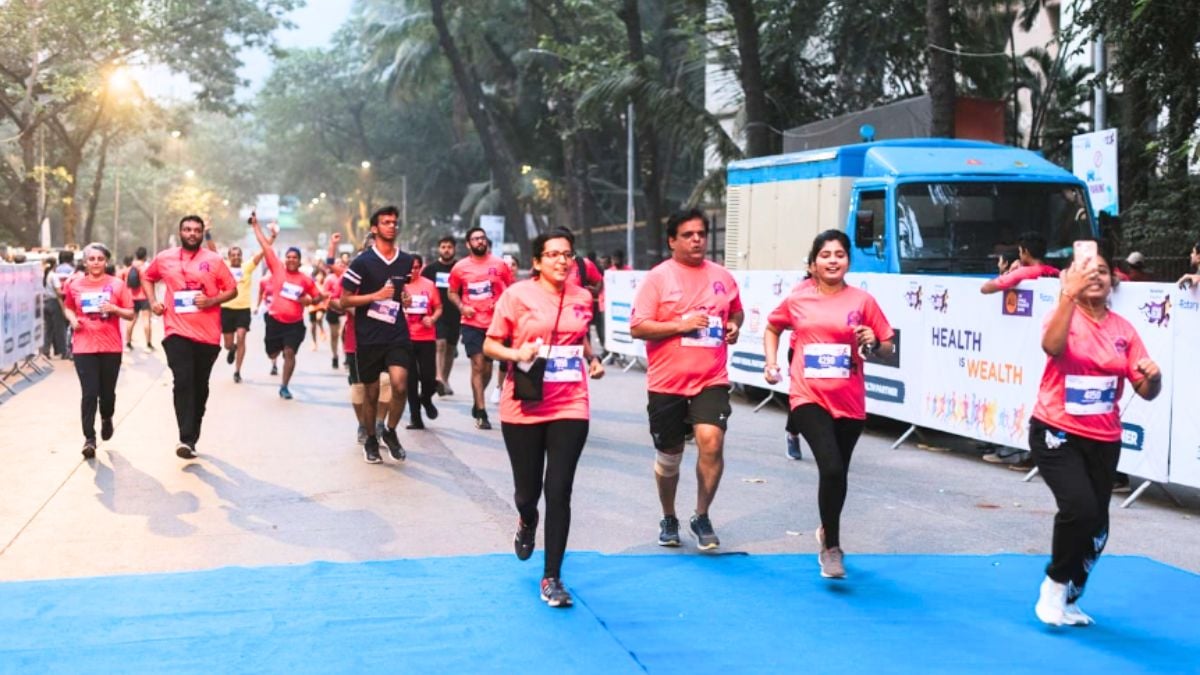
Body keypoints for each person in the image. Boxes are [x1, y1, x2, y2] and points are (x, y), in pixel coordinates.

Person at [1028, 238, 1161, 626]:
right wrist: (1068, 296)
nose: (1096, 277)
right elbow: (1051, 346)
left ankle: (1070, 597)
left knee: (1097, 526)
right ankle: (1053, 584)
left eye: (1102, 271)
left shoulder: (1124, 329)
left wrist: (1154, 377)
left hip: (1104, 438)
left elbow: (1146, 390)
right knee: (1079, 508)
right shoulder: (1062, 315)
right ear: (1071, 278)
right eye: (1087, 271)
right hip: (1056, 430)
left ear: (1113, 280)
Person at [483, 228, 605, 608]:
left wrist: (591, 358)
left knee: (559, 489)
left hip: (571, 403)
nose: (561, 260)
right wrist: (516, 355)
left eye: (567, 254)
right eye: (552, 254)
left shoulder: (583, 296)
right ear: (536, 262)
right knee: (528, 493)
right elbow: (490, 343)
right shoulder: (516, 296)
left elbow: (579, 335)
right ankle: (526, 519)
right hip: (524, 404)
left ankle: (552, 576)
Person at [763, 231, 895, 579]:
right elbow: (772, 327)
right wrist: (771, 362)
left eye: (839, 254)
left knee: (838, 474)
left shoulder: (862, 301)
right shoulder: (798, 299)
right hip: (808, 396)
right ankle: (832, 547)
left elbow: (887, 347)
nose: (832, 260)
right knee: (831, 467)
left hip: (849, 401)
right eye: (825, 254)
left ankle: (826, 529)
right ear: (814, 262)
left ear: (848, 261)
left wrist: (874, 342)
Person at [629, 208, 744, 551]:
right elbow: (638, 326)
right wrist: (681, 325)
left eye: (701, 234)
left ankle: (702, 514)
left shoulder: (722, 275)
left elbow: (735, 308)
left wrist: (735, 325)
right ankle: (669, 516)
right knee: (670, 455)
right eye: (688, 235)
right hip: (667, 383)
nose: (696, 240)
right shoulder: (658, 278)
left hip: (712, 377)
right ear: (672, 241)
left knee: (712, 441)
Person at [141, 215, 237, 459]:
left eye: (196, 230)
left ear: (202, 233)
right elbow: (147, 276)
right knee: (182, 381)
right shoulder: (165, 258)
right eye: (187, 229)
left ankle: (193, 435)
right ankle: (185, 438)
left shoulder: (213, 260)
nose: (192, 233)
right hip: (176, 330)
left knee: (199, 386)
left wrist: (212, 300)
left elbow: (232, 289)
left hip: (207, 335)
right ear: (180, 232)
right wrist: (153, 302)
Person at [340, 206, 415, 463]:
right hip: (368, 336)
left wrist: (404, 297)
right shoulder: (362, 262)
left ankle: (390, 431)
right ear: (374, 228)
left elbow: (401, 292)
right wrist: (375, 296)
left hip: (397, 332)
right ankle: (371, 438)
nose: (392, 226)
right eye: (386, 222)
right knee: (371, 393)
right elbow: (344, 299)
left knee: (400, 385)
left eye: (394, 222)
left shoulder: (405, 260)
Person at [62, 243, 135, 458]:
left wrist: (114, 309)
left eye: (100, 259)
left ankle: (106, 417)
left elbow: (130, 313)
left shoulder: (117, 285)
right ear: (85, 262)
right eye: (91, 259)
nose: (96, 263)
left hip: (110, 346)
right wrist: (73, 319)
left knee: (107, 393)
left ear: (106, 262)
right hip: (84, 346)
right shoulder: (75, 284)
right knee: (89, 393)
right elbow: (68, 306)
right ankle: (89, 439)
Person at [449, 227, 515, 430]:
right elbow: (452, 292)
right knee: (478, 365)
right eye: (475, 239)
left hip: (495, 324)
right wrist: (462, 307)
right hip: (471, 323)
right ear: (468, 244)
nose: (480, 241)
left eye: (482, 238)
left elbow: (511, 290)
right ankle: (481, 410)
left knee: (487, 368)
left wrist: (501, 303)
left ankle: (478, 399)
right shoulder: (460, 268)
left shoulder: (499, 265)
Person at [251, 215, 321, 400]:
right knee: (272, 353)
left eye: (294, 257)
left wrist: (308, 300)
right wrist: (256, 226)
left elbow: (318, 297)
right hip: (274, 321)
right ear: (285, 259)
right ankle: (276, 350)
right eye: (288, 257)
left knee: (289, 353)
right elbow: (265, 246)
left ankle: (284, 386)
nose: (291, 260)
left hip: (294, 324)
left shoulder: (305, 280)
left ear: (299, 261)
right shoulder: (277, 268)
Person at [219, 240, 268, 384]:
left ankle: (237, 371)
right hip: (226, 309)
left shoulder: (247, 267)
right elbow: (212, 250)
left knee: (241, 336)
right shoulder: (224, 267)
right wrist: (207, 233)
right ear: (228, 257)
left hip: (243, 309)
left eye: (238, 255)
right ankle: (232, 349)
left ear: (242, 256)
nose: (236, 257)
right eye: (233, 255)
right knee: (228, 344)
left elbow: (262, 253)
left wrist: (271, 237)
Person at [404, 254, 442, 429]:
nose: (413, 271)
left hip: (426, 337)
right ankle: (415, 416)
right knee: (410, 380)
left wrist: (432, 319)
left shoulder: (428, 285)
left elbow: (439, 307)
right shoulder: (399, 286)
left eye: (417, 267)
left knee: (428, 378)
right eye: (410, 267)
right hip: (406, 338)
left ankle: (425, 399)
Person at [422, 235, 460, 396]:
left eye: (449, 247)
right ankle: (439, 378)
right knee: (440, 344)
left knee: (451, 348)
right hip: (438, 313)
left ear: (454, 249)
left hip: (456, 314)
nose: (446, 250)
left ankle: (445, 378)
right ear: (439, 249)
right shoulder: (430, 269)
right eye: (443, 247)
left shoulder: (460, 268)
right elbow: (423, 290)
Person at [979, 232, 1060, 295]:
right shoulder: (1056, 272)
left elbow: (985, 288)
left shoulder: (1023, 272)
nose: (1020, 255)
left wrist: (1010, 272)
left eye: (1020, 251)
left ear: (1026, 252)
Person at [122, 247, 153, 352]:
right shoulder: (144, 268)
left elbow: (125, 283)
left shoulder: (129, 268)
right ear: (145, 256)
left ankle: (128, 343)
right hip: (143, 297)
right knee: (146, 320)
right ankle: (148, 345)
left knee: (131, 321)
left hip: (132, 298)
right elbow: (146, 284)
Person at [323, 233, 346, 370]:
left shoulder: (348, 275)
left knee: (343, 332)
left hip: (345, 309)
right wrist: (333, 244)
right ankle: (335, 356)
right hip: (332, 310)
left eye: (342, 264)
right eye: (338, 264)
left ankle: (346, 357)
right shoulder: (329, 279)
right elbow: (325, 295)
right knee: (334, 335)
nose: (340, 266)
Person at [255, 273, 279, 376]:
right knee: (272, 337)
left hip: (282, 311)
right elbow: (261, 293)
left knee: (281, 336)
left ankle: (283, 350)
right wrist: (257, 306)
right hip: (268, 311)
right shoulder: (264, 280)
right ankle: (274, 364)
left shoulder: (284, 278)